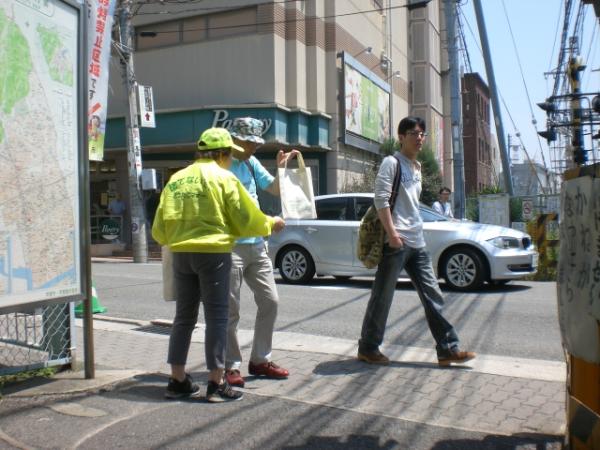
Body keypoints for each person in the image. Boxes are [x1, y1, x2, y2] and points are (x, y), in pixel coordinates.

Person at [152, 127, 285, 402]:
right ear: (223, 155)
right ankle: (216, 382)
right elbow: (247, 218)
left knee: (184, 318)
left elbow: (158, 230)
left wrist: (179, 239)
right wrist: (271, 223)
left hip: (181, 254)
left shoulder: (176, 179)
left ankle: (177, 379)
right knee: (217, 317)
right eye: (229, 155)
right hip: (213, 254)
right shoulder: (224, 178)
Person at [357, 116, 475, 367]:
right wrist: (391, 234)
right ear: (401, 137)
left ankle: (447, 349)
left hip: (416, 242)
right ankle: (368, 347)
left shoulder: (418, 168)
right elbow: (381, 200)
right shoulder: (392, 163)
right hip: (396, 241)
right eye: (414, 133)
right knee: (383, 296)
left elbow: (411, 204)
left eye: (422, 133)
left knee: (433, 293)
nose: (419, 138)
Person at [224, 117, 299, 388]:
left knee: (270, 301)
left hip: (257, 244)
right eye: (250, 142)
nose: (254, 147)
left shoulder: (251, 162)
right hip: (230, 245)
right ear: (235, 139)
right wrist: (268, 220)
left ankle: (259, 360)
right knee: (230, 309)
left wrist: (281, 169)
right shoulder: (221, 163)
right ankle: (230, 366)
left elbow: (275, 190)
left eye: (256, 142)